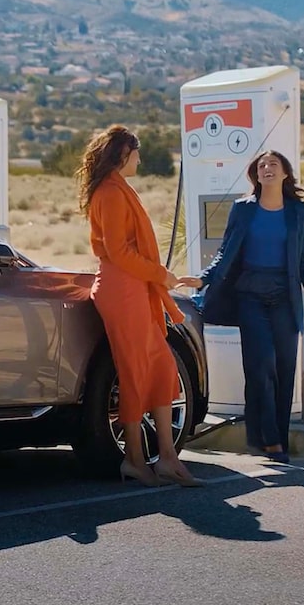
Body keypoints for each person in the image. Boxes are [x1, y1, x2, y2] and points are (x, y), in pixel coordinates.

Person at [79, 125, 203, 488]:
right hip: (123, 290)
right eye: (136, 152)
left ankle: (167, 457)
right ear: (123, 154)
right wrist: (160, 274)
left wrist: (157, 277)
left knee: (162, 368)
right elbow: (118, 253)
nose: (140, 159)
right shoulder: (111, 192)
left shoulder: (118, 189)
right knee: (134, 372)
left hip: (134, 287)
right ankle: (134, 459)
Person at [193, 150, 304, 464]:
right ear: (257, 174)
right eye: (261, 165)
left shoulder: (297, 212)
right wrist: (203, 279)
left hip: (284, 296)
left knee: (283, 368)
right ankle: (269, 441)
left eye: (272, 165)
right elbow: (226, 251)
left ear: (285, 174)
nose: (266, 168)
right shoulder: (242, 209)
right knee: (261, 365)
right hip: (249, 294)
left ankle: (276, 437)